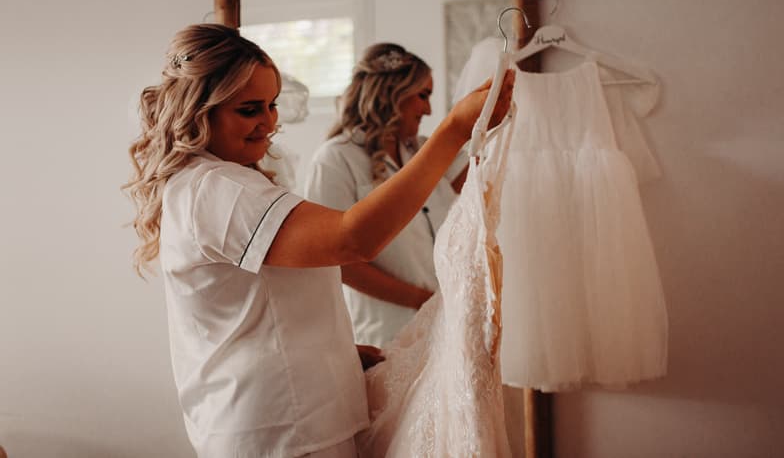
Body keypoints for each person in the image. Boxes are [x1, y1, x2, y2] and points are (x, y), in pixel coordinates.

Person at [123, 23, 514, 458]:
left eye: (271, 106)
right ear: (199, 111)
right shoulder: (217, 189)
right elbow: (352, 241)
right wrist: (454, 128)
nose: (268, 122)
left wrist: (337, 353)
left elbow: (259, 304)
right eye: (250, 109)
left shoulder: (216, 183)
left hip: (293, 415)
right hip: (278, 427)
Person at [305, 43, 467, 347]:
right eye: (423, 95)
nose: (429, 110)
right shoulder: (335, 159)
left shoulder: (422, 149)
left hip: (446, 324)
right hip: (387, 331)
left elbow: (482, 182)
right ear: (393, 92)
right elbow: (337, 262)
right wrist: (420, 299)